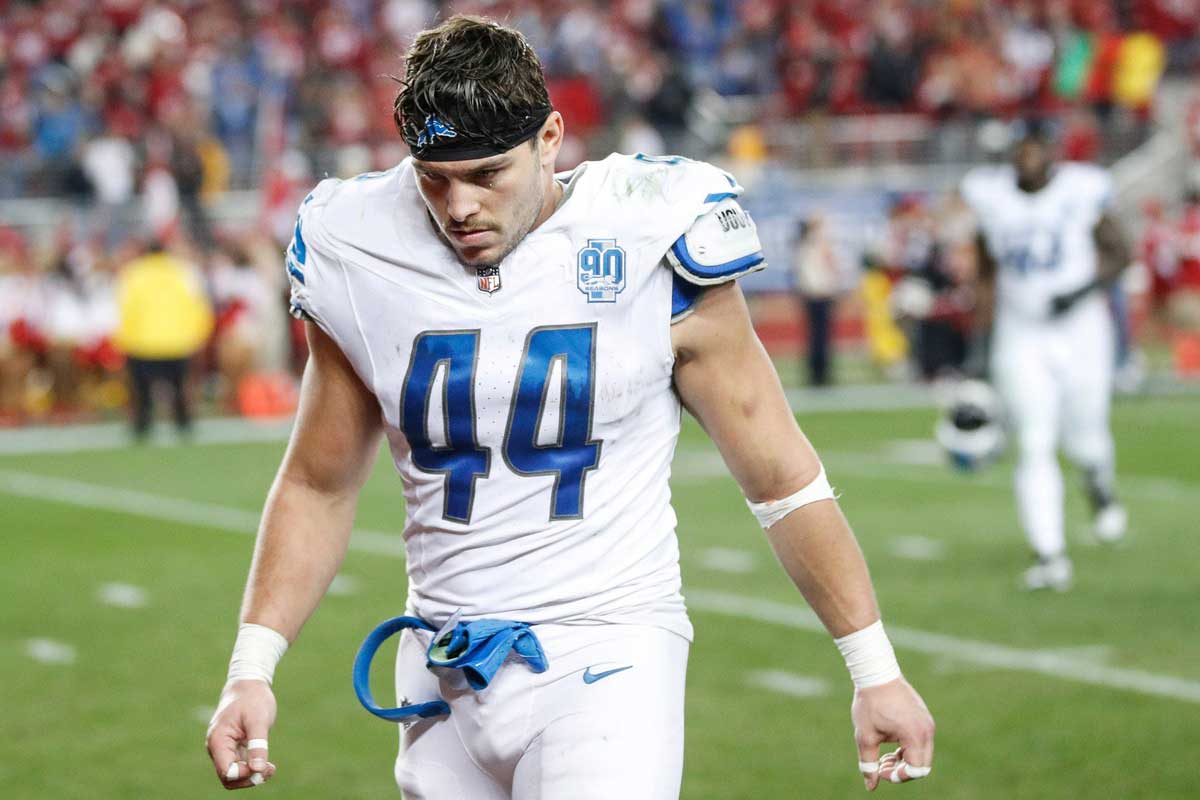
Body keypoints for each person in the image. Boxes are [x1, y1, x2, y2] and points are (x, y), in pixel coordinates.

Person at [205, 16, 935, 797]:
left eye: (487, 174)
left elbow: (781, 477)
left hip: (607, 651)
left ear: (550, 137)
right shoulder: (359, 244)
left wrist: (875, 669)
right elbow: (319, 481)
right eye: (434, 177)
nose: (457, 207)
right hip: (441, 664)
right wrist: (250, 669)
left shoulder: (649, 228)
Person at [961, 124, 1131, 592]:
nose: (1027, 158)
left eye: (1035, 149)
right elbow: (985, 275)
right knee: (1035, 440)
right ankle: (1049, 554)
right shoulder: (991, 197)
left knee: (1086, 439)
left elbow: (1121, 252)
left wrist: (1079, 293)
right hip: (1022, 333)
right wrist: (977, 349)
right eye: (1021, 149)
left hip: (1081, 331)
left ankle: (1098, 485)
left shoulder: (1081, 190)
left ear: (1053, 152)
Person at [112, 239, 213, 439]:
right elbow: (200, 307)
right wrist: (196, 337)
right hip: (178, 344)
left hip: (141, 345)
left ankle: (142, 422)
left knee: (142, 390)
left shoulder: (132, 273)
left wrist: (123, 341)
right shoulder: (185, 272)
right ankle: (183, 421)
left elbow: (123, 310)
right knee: (179, 387)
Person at [791, 213, 841, 386]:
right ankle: (817, 374)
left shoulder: (809, 246)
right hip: (816, 295)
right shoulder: (807, 247)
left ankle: (821, 373)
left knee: (821, 337)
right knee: (817, 338)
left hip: (820, 295)